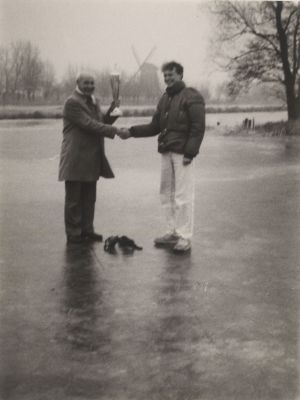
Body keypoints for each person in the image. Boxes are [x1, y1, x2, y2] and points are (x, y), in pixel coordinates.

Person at [118, 61, 205, 252]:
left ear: (180, 75)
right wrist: (130, 132)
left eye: (171, 75)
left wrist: (190, 152)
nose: (167, 78)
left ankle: (184, 237)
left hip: (183, 154)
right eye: (165, 75)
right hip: (166, 151)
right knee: (166, 194)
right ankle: (172, 232)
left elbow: (198, 128)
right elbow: (154, 126)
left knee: (183, 196)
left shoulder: (192, 96)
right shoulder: (165, 98)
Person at [59, 72, 120, 244]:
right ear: (77, 82)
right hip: (75, 158)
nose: (90, 86)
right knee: (73, 200)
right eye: (86, 83)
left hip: (91, 158)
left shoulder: (93, 101)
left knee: (89, 198)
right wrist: (116, 131)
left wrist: (113, 111)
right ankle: (73, 233)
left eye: (92, 83)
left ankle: (87, 230)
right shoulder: (72, 103)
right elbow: (89, 125)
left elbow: (102, 122)